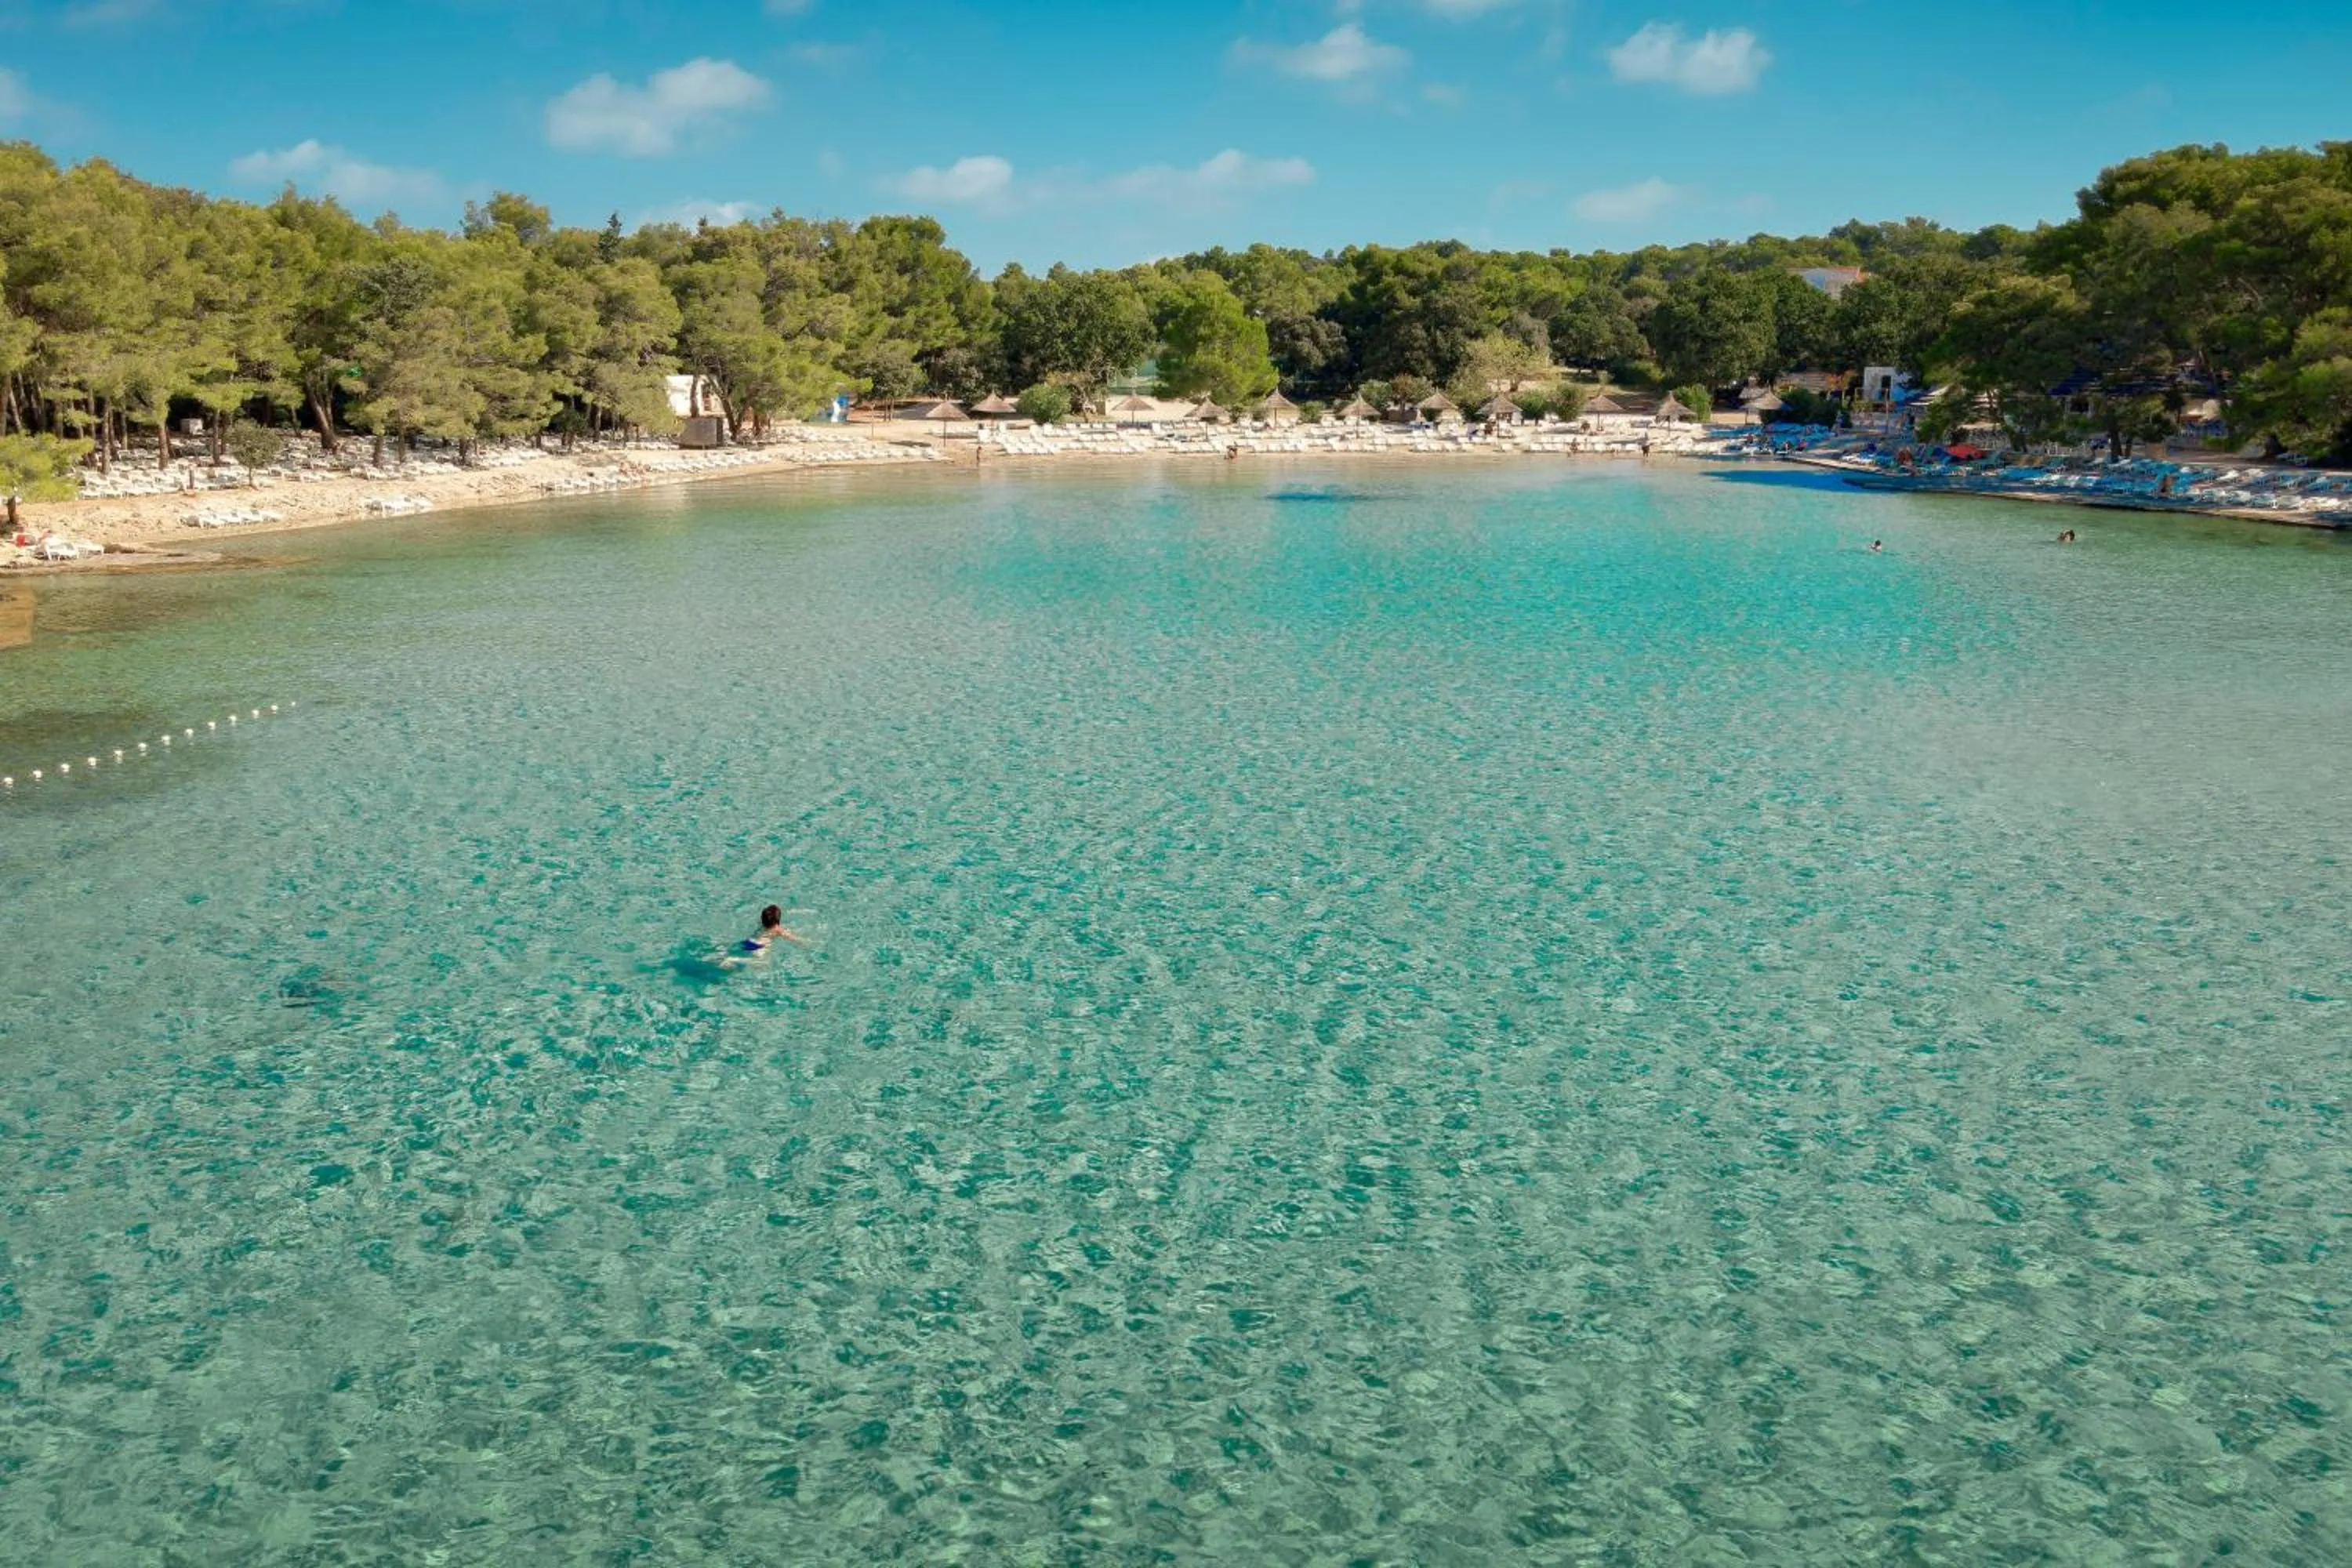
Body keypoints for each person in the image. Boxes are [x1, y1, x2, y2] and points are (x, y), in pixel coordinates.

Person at [738, 904, 807, 956]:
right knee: (762, 963)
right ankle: (733, 960)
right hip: (760, 946)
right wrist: (804, 942)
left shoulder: (761, 924)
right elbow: (792, 938)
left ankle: (733, 959)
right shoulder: (777, 929)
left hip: (749, 942)